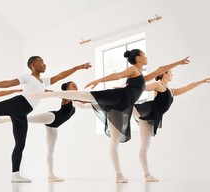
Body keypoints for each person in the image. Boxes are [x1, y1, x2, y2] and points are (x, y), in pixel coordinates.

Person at [31, 50, 190, 183]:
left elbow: (161, 68)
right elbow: (117, 75)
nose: (147, 58)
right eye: (144, 55)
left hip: (124, 106)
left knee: (114, 139)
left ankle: (118, 175)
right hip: (119, 97)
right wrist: (99, 80)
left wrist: (179, 62)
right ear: (138, 58)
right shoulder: (134, 70)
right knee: (85, 95)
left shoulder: (143, 77)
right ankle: (48, 95)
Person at [0, 56, 92, 183]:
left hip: (22, 113)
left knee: (20, 143)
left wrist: (78, 67)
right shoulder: (27, 77)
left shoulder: (43, 82)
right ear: (33, 65)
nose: (45, 64)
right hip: (17, 104)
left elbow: (61, 75)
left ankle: (15, 174)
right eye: (41, 61)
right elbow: (9, 82)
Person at [0, 81, 79, 182]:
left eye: (76, 86)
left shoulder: (76, 99)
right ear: (67, 89)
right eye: (74, 86)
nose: (76, 88)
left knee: (50, 150)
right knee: (27, 119)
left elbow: (87, 100)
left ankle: (51, 175)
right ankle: (3, 120)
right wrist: (41, 92)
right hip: (52, 117)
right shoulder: (66, 96)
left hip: (55, 126)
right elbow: (53, 93)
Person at [134, 71, 210, 182]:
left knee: (145, 146)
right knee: (128, 108)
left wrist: (202, 81)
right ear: (164, 74)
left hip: (152, 118)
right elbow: (143, 88)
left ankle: (147, 175)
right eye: (170, 72)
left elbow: (189, 87)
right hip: (148, 109)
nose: (172, 74)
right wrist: (126, 88)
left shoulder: (171, 91)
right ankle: (108, 104)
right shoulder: (158, 85)